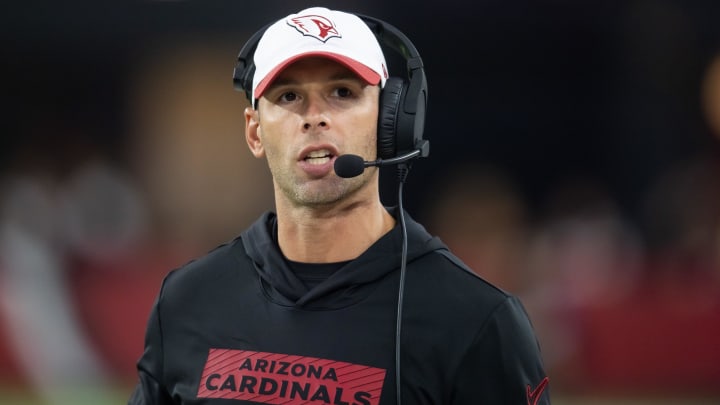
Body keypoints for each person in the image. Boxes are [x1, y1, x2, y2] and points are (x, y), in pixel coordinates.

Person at [128, 6, 550, 405]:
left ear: (391, 122)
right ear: (255, 133)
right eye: (289, 96)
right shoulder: (187, 301)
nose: (315, 117)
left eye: (342, 92)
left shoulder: (475, 321)